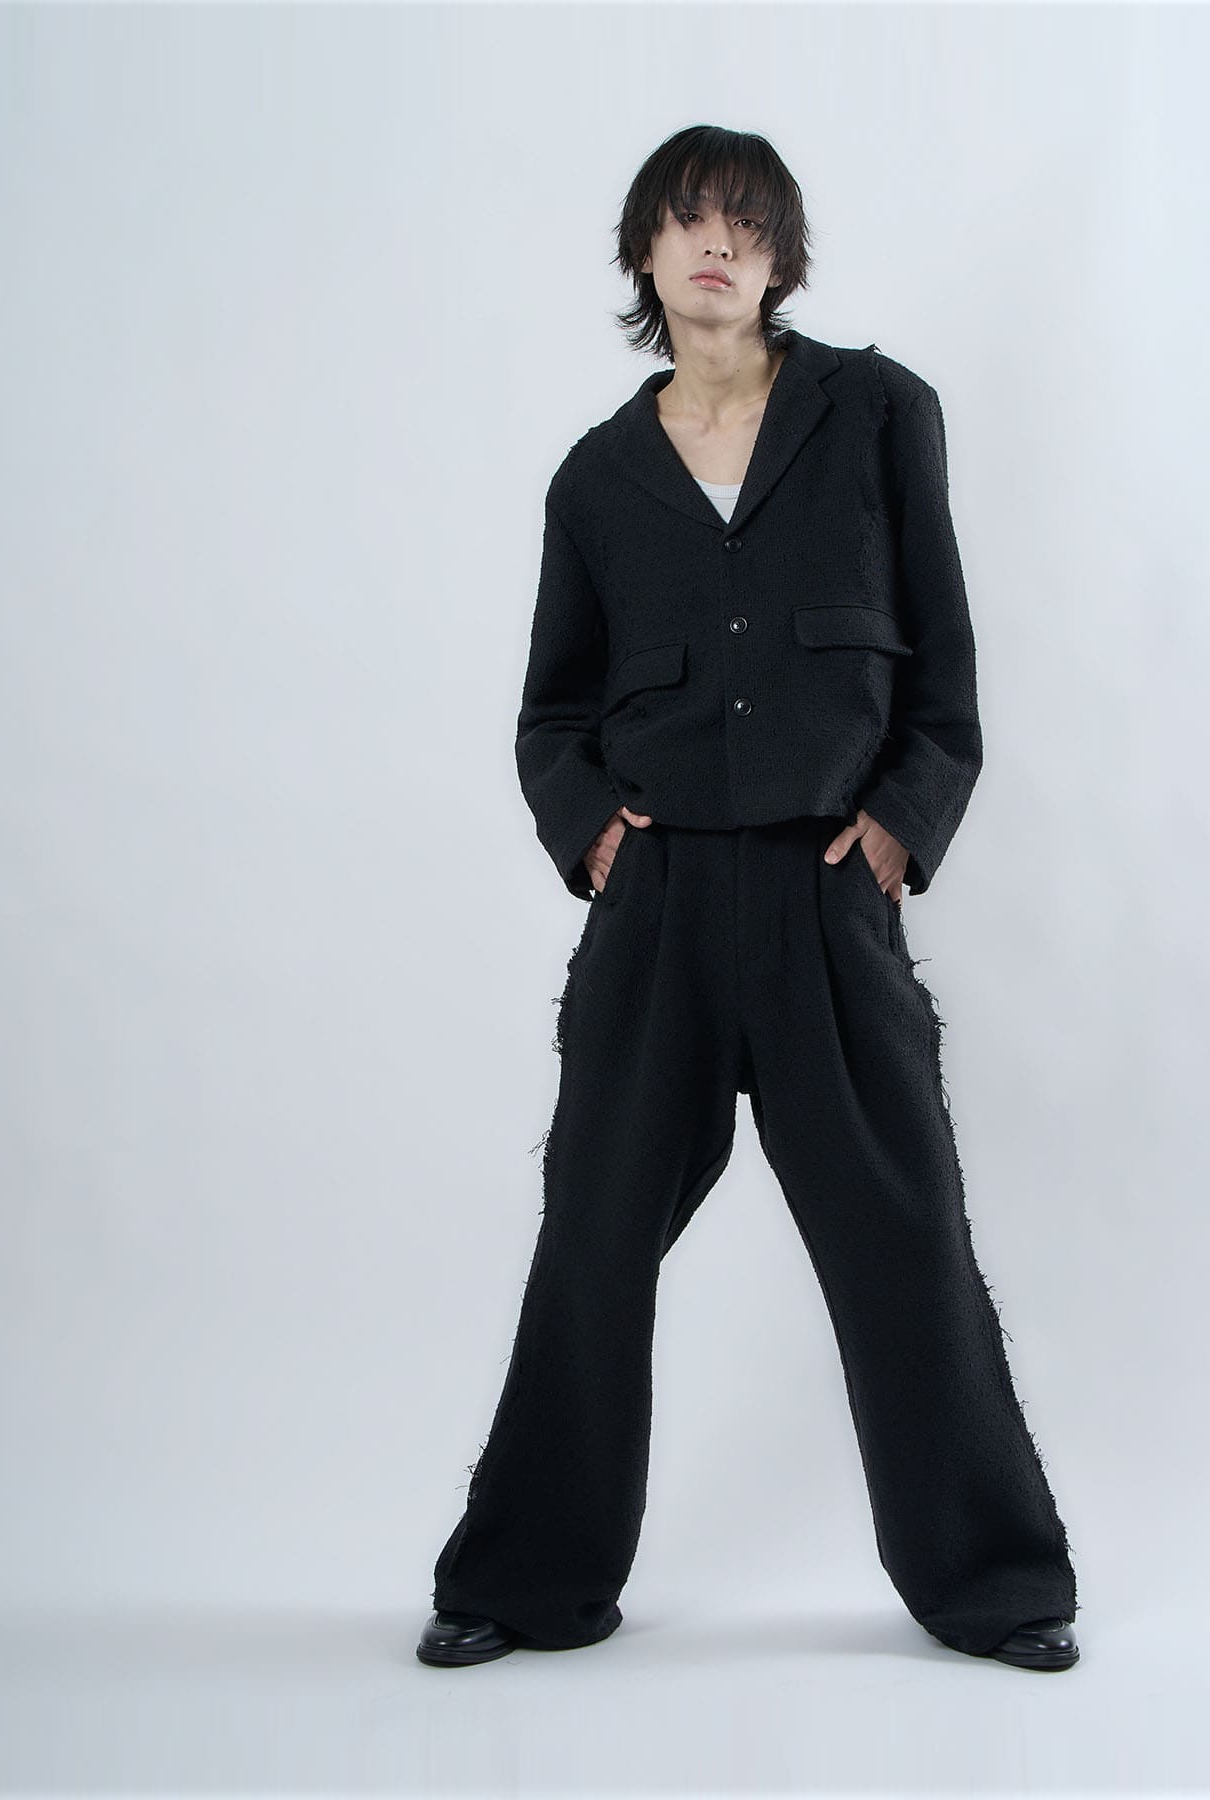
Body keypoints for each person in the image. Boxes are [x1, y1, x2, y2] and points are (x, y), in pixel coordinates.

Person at [417, 124, 1081, 1673]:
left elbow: (945, 673)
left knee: (905, 1238)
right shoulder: (596, 481)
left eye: (746, 223)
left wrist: (902, 827)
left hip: (825, 896)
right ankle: (526, 1583)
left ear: (781, 260)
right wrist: (596, 836)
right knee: (591, 1240)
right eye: (686, 220)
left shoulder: (879, 415)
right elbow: (551, 716)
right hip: (655, 914)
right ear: (645, 253)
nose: (716, 243)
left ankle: (998, 1585)